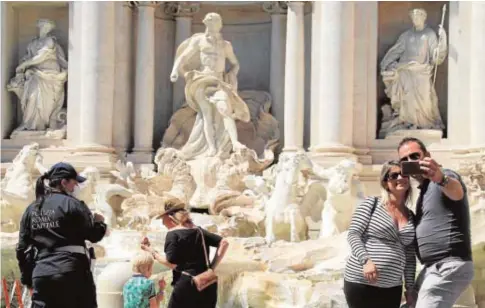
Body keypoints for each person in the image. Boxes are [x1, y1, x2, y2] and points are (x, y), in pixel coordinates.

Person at [16, 162, 107, 308]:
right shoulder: (73, 204)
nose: (76, 187)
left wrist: (28, 278)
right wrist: (99, 223)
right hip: (71, 272)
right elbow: (93, 236)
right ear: (64, 182)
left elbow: (21, 248)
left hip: (42, 273)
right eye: (74, 183)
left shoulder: (31, 209)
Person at [397, 137, 473, 308]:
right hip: (432, 268)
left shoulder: (445, 176)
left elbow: (457, 192)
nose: (410, 161)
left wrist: (440, 178)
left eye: (414, 156)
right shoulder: (423, 190)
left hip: (448, 266)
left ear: (427, 156)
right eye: (404, 160)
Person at [170, 12, 250, 159]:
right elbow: (183, 57)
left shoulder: (226, 45)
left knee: (224, 109)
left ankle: (235, 142)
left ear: (220, 25)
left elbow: (235, 63)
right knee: (206, 115)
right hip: (202, 79)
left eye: (217, 23)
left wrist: (232, 75)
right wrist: (175, 71)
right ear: (206, 24)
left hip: (218, 81)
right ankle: (212, 148)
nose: (215, 26)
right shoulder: (199, 41)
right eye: (211, 23)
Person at [344, 160, 416, 308]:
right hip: (361, 281)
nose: (400, 178)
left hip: (392, 287)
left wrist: (410, 287)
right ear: (385, 182)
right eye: (394, 175)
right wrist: (366, 261)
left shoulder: (411, 215)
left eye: (404, 174)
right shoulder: (371, 204)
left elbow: (409, 254)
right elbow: (353, 234)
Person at [141, 200, 229, 308]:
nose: (163, 223)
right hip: (207, 281)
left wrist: (151, 251)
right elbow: (224, 243)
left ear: (170, 217)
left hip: (187, 284)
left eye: (163, 219)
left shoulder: (173, 234)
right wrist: (212, 267)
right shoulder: (199, 231)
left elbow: (170, 262)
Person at [379, 8, 447, 136]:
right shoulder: (406, 36)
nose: (416, 19)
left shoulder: (430, 34)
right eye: (413, 17)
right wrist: (385, 63)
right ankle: (407, 122)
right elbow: (395, 51)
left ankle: (426, 123)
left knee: (426, 99)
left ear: (424, 17)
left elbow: (436, 57)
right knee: (406, 97)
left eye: (418, 16)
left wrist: (442, 39)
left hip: (422, 71)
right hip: (405, 70)